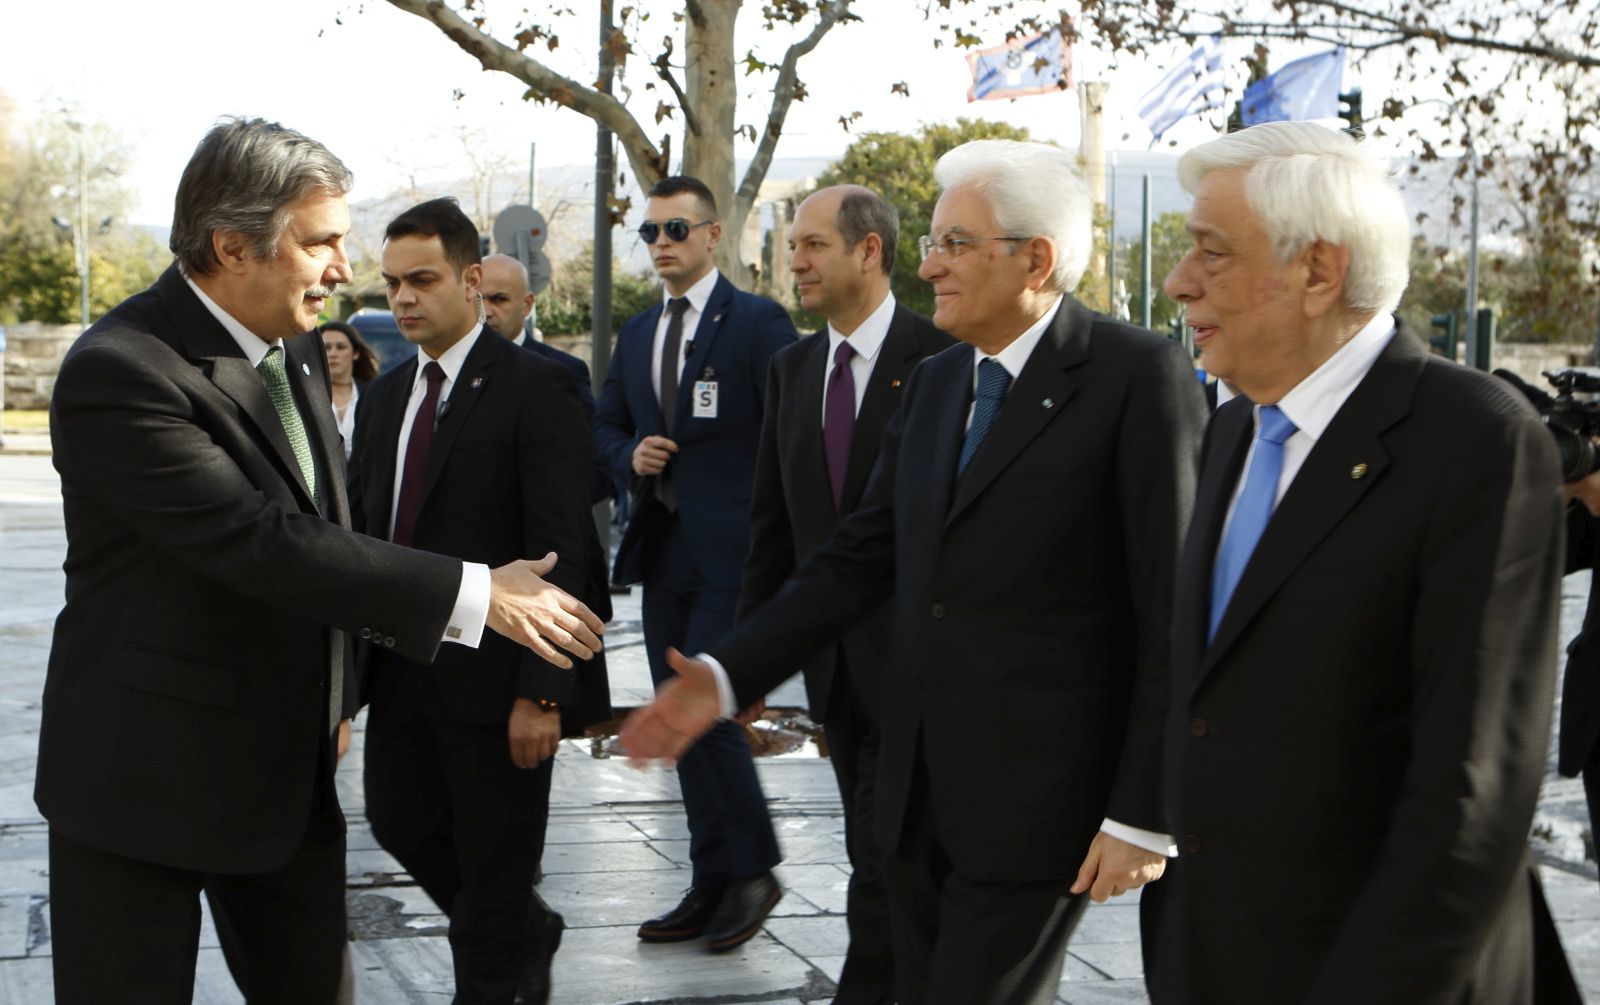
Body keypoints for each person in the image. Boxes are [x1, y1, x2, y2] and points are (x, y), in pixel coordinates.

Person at [622, 140, 1207, 1004]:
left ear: (1036, 259)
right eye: (933, 243)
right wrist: (726, 671)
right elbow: (857, 556)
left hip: (1040, 801)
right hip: (910, 792)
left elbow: (1174, 607)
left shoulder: (1135, 375)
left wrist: (1146, 812)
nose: (928, 265)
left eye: (954, 244)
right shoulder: (937, 383)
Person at [36, 118, 602, 1004]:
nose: (343, 269)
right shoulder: (122, 371)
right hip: (143, 784)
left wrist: (339, 695)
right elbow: (261, 541)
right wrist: (475, 592)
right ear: (233, 247)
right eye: (321, 243)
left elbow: (334, 519)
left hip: (283, 778)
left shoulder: (294, 348)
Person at [1145, 120, 1565, 1002]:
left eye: (1211, 253)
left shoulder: (1477, 441)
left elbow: (1470, 792)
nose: (1178, 281)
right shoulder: (1233, 427)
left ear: (1318, 271)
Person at [346, 198, 592, 1004]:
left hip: (498, 684)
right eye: (392, 283)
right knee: (397, 821)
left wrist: (542, 692)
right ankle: (522, 927)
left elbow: (563, 550)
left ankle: (499, 951)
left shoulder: (538, 386)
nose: (404, 297)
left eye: (422, 279)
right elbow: (367, 536)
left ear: (472, 278)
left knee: (493, 872)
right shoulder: (387, 397)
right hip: (400, 672)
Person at [740, 184, 953, 1003]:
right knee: (878, 855)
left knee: (887, 857)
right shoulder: (791, 371)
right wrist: (749, 661)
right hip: (836, 676)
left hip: (923, 670)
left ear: (870, 251)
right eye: (794, 245)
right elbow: (774, 528)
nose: (795, 261)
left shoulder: (942, 357)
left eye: (813, 244)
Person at [594, 175, 796, 950]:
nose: (661, 244)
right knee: (675, 712)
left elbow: (788, 433)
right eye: (649, 231)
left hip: (735, 552)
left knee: (701, 707)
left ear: (713, 235)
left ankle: (755, 868)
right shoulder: (640, 332)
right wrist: (629, 454)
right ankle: (713, 877)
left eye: (675, 229)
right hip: (663, 546)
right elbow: (604, 424)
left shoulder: (756, 322)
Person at [478, 249, 616, 876]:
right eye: (479, 297)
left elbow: (591, 474)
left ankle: (516, 885)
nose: (487, 311)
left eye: (500, 299)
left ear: (529, 305)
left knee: (524, 757)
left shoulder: (559, 374)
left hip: (543, 576)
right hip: (475, 589)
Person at [320, 318, 379, 458]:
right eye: (326, 347)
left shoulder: (374, 393)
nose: (333, 354)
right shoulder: (306, 394)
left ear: (355, 353)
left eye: (340, 347)